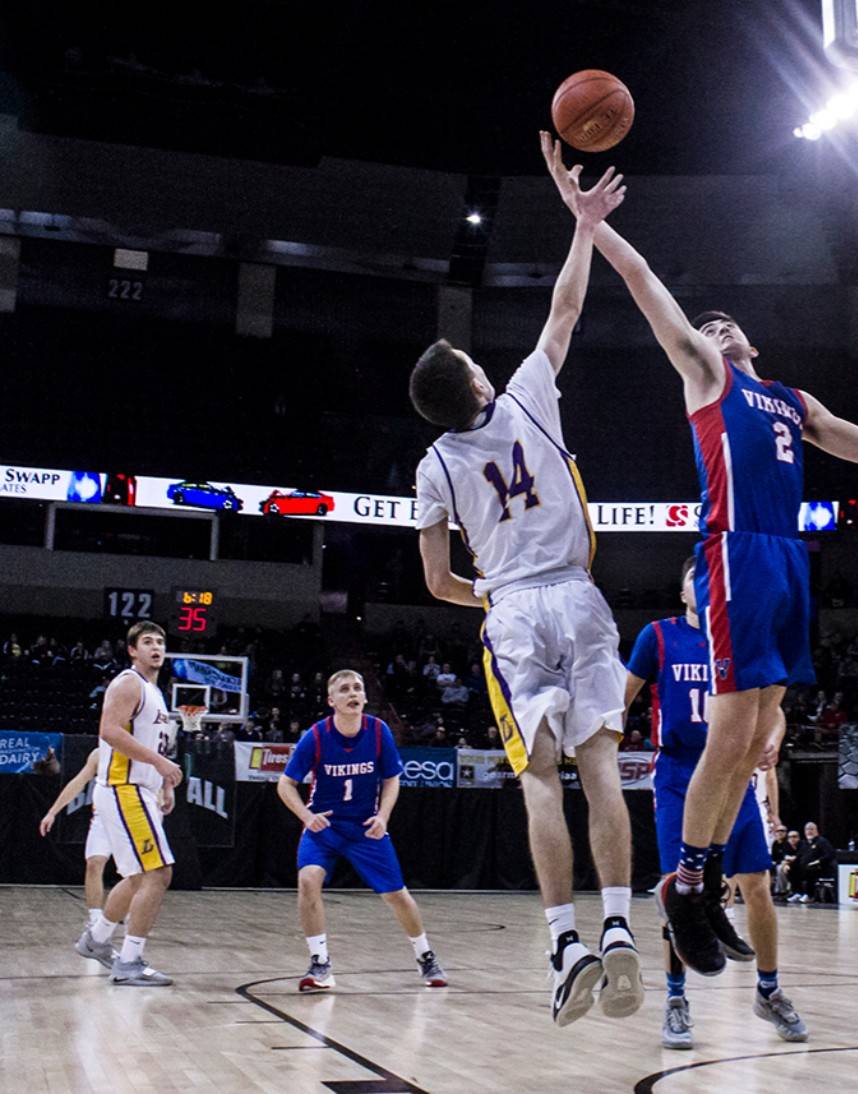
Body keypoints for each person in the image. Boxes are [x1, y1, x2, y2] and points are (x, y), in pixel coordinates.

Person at [541, 132, 858, 976]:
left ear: (754, 338)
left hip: (788, 560)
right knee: (732, 722)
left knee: (755, 739)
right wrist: (590, 222)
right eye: (706, 324)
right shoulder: (708, 377)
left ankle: (697, 883)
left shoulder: (791, 399)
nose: (714, 325)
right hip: (734, 550)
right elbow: (645, 287)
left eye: (724, 319)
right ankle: (688, 885)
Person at [410, 157, 640, 1028]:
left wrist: (492, 598)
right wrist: (582, 222)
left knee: (538, 779)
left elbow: (436, 581)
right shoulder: (528, 392)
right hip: (579, 597)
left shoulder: (432, 466)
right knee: (600, 766)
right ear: (476, 383)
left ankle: (565, 945)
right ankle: (618, 927)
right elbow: (567, 308)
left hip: (509, 607)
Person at [624, 556, 807, 1048]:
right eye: (693, 579)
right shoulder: (657, 636)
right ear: (683, 592)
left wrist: (775, 736)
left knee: (758, 884)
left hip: (735, 772)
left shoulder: (742, 635)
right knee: (679, 893)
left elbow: (774, 708)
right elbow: (622, 698)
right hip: (680, 774)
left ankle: (768, 990)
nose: (702, 586)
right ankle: (676, 1000)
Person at [277, 670, 446, 993]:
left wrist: (383, 816)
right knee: (308, 880)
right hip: (325, 826)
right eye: (344, 689)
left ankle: (425, 956)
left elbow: (391, 778)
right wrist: (306, 815)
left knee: (396, 894)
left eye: (358, 688)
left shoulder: (379, 731)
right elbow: (286, 784)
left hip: (365, 827)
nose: (353, 693)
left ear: (365, 698)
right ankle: (320, 964)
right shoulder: (315, 735)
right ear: (332, 701)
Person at [74, 622, 182, 986]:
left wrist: (163, 782)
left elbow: (156, 746)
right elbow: (109, 731)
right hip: (124, 787)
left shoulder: (155, 692)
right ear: (132, 650)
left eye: (161, 642)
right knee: (159, 873)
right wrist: (159, 764)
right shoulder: (128, 682)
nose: (156, 647)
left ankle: (98, 939)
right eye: (147, 641)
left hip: (142, 790)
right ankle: (130, 962)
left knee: (137, 877)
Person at [40, 745, 113, 938]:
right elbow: (78, 782)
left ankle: (128, 917)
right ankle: (95, 920)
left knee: (136, 875)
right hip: (103, 818)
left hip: (133, 818)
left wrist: (165, 791)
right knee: (94, 863)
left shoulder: (142, 749)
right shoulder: (100, 754)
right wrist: (52, 812)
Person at [788, 822, 836, 903]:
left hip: (820, 867)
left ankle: (809, 895)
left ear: (816, 831)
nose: (809, 831)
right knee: (791, 869)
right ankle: (798, 893)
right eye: (807, 829)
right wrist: (788, 864)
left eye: (811, 829)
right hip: (805, 867)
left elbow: (830, 854)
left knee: (809, 868)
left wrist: (817, 861)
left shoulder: (822, 841)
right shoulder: (804, 843)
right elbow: (798, 856)